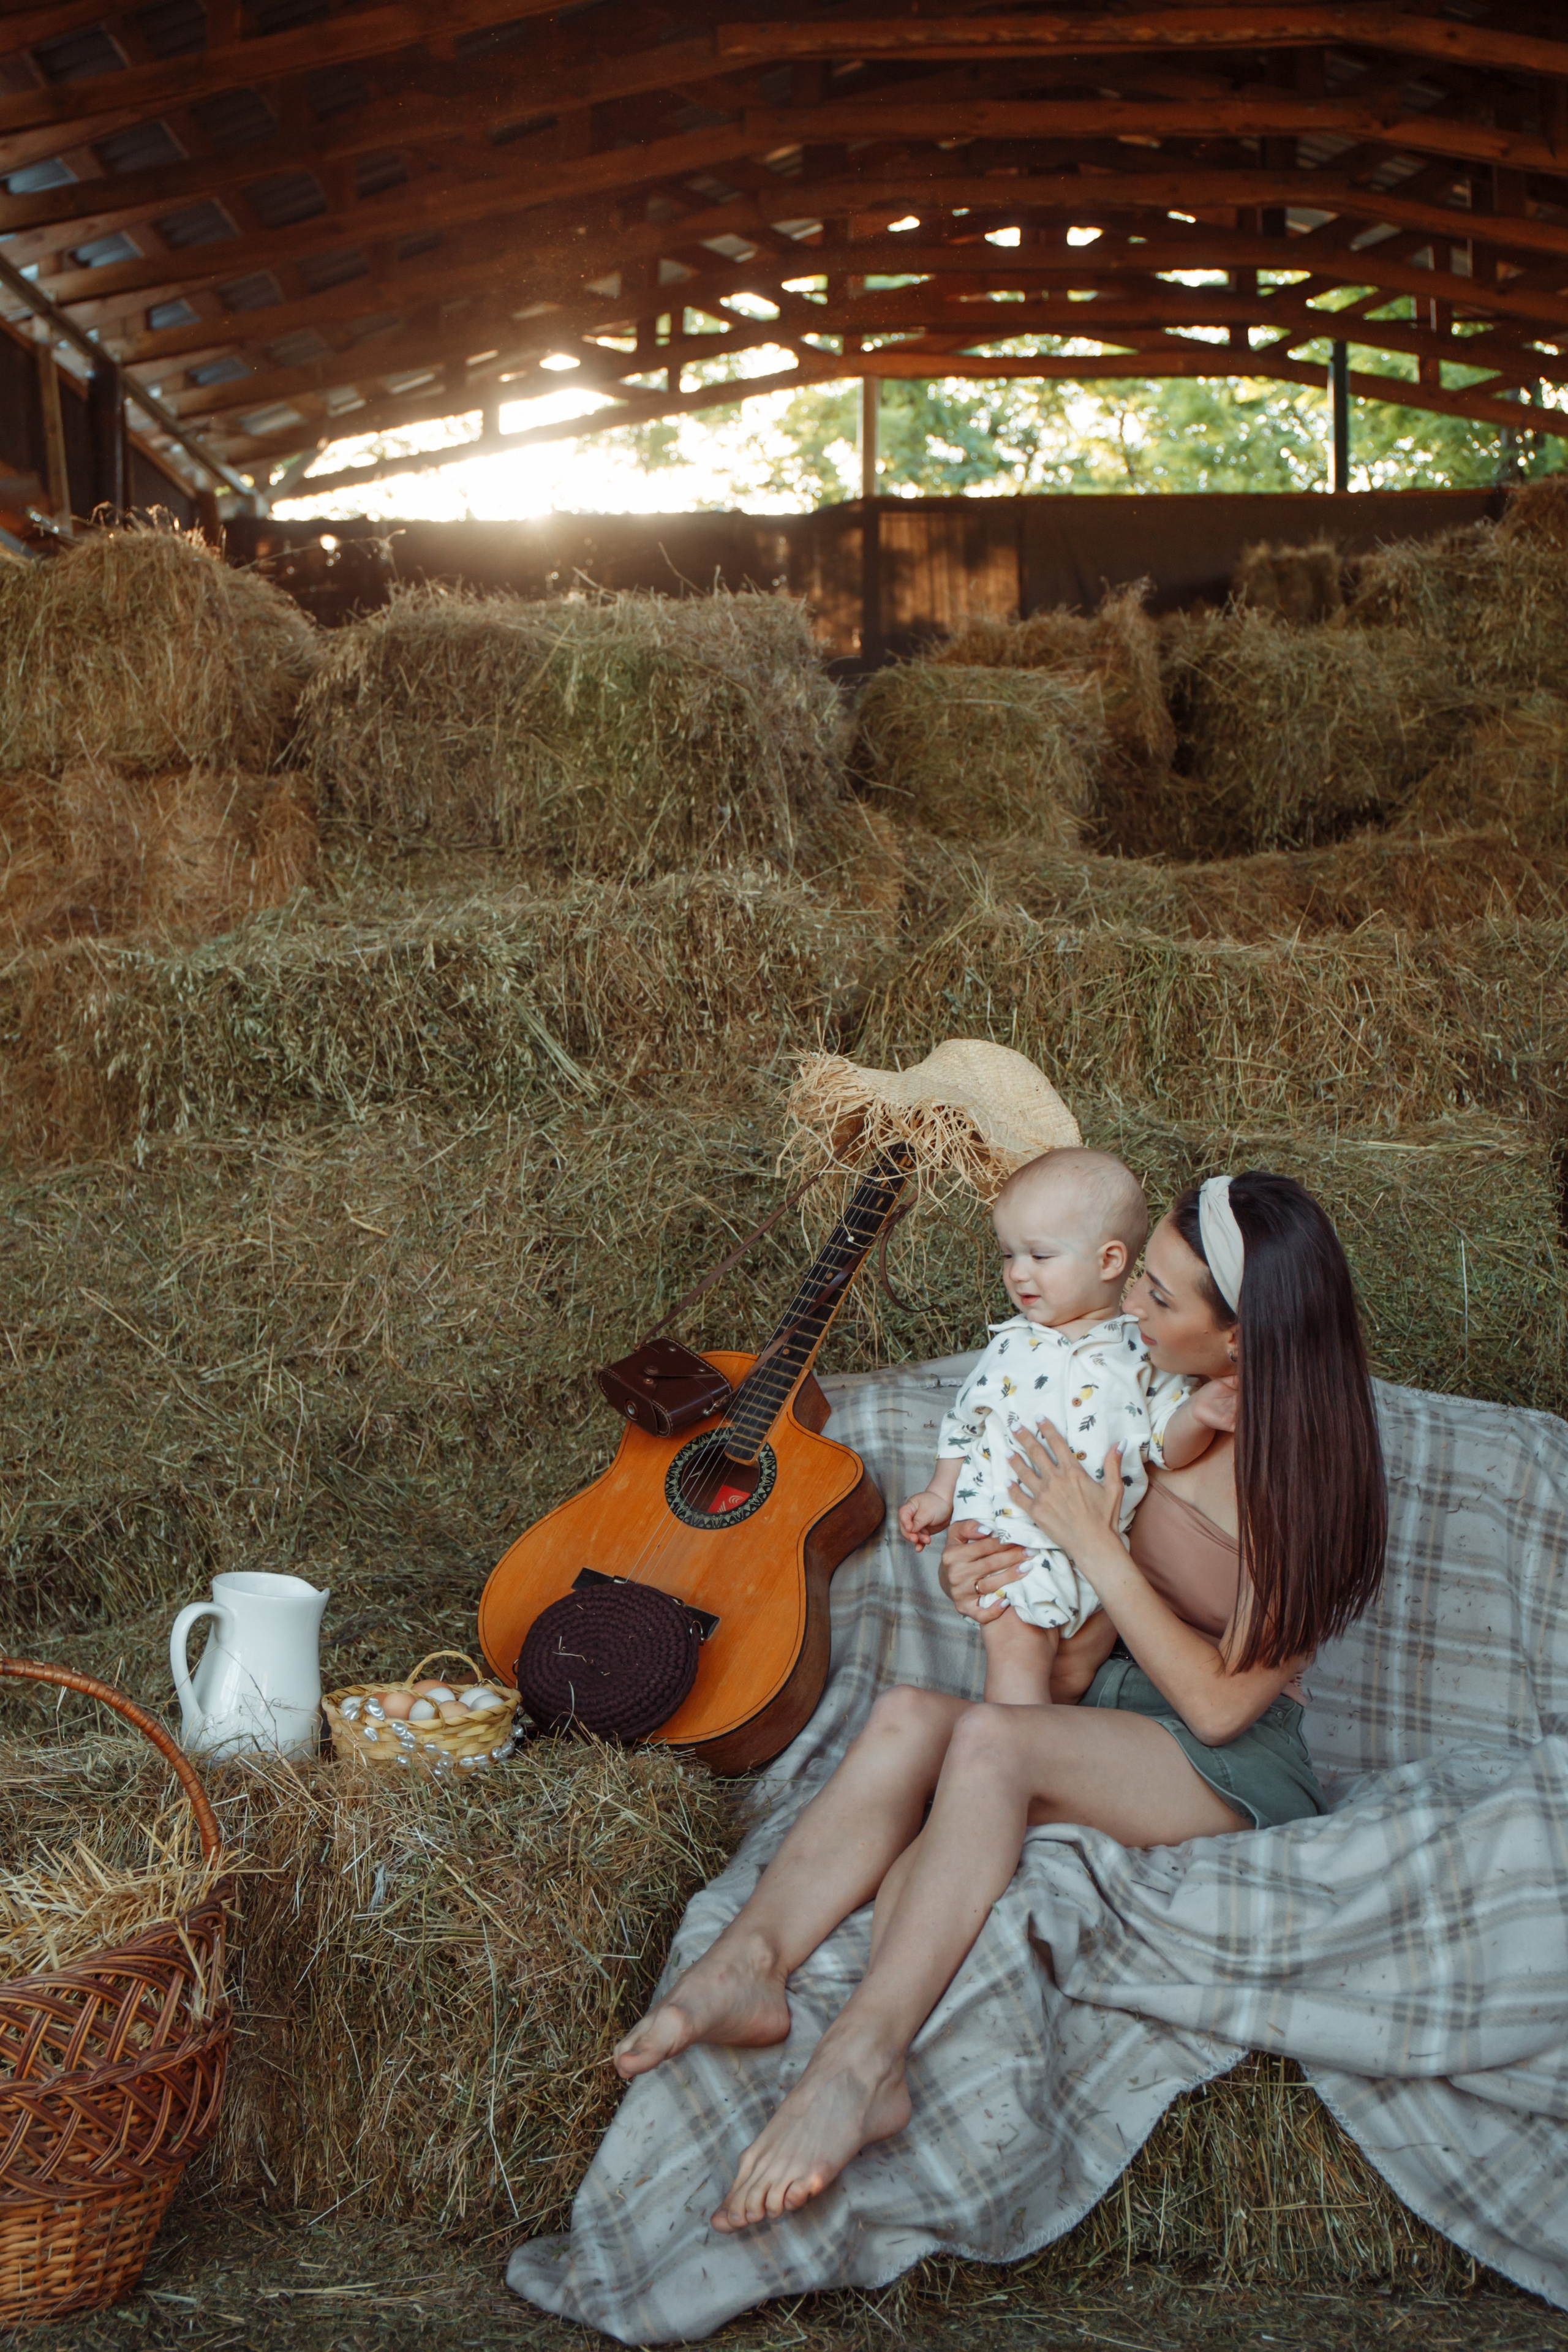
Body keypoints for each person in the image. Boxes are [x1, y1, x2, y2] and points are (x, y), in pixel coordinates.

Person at [612, 1171, 1387, 2235]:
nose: (1132, 1308)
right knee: (902, 1716)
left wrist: (1092, 1543)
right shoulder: (1155, 1408)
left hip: (1234, 1760)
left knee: (983, 1747)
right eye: (1140, 1283)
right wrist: (988, 1581)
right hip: (1115, 1706)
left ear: (1244, 1344)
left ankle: (861, 2062)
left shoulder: (1306, 1477)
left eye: (1160, 1298)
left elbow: (1215, 1706)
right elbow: (1072, 1672)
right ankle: (750, 1961)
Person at [899, 1147, 1183, 1705]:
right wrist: (939, 1493)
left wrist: (1206, 1414)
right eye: (1008, 1255)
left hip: (1103, 1558)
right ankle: (1004, 1758)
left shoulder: (1140, 1350)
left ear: (1109, 1262)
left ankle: (1006, 1770)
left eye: (1040, 1255)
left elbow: (1170, 1437)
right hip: (1015, 1548)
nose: (1017, 1273)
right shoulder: (1011, 1344)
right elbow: (965, 1421)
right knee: (1020, 1675)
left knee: (1067, 1686)